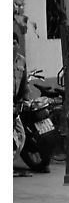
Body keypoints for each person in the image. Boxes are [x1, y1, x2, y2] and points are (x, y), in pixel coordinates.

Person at [13, 33, 29, 162]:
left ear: (18, 45)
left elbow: (23, 82)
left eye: (14, 43)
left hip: (15, 103)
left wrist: (24, 99)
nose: (12, 46)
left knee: (21, 136)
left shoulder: (22, 60)